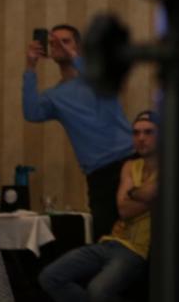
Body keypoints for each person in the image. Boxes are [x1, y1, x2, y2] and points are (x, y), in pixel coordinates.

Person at [38, 111, 159, 302]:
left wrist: (134, 194)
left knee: (98, 291)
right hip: (111, 241)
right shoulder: (130, 166)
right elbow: (123, 209)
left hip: (138, 248)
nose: (141, 138)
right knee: (50, 277)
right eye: (136, 133)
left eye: (148, 132)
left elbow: (133, 201)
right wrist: (147, 196)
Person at [22, 24, 133, 241]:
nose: (58, 45)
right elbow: (31, 112)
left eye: (65, 41)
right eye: (53, 43)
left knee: (141, 232)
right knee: (105, 235)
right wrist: (30, 66)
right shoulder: (55, 96)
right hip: (98, 173)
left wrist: (76, 57)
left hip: (129, 161)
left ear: (79, 47)